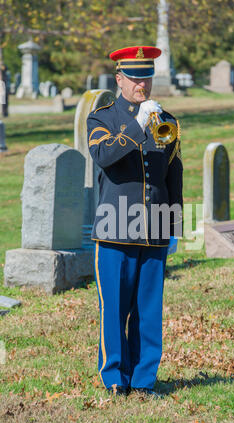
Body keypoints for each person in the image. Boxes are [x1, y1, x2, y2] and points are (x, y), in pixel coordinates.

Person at [87, 46, 183, 397]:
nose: (141, 84)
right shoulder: (103, 118)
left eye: (146, 77)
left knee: (147, 310)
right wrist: (136, 123)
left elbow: (174, 174)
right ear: (119, 80)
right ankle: (114, 380)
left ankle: (143, 381)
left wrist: (174, 224)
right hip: (114, 228)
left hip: (155, 225)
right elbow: (104, 156)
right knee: (114, 309)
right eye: (134, 78)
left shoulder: (167, 120)